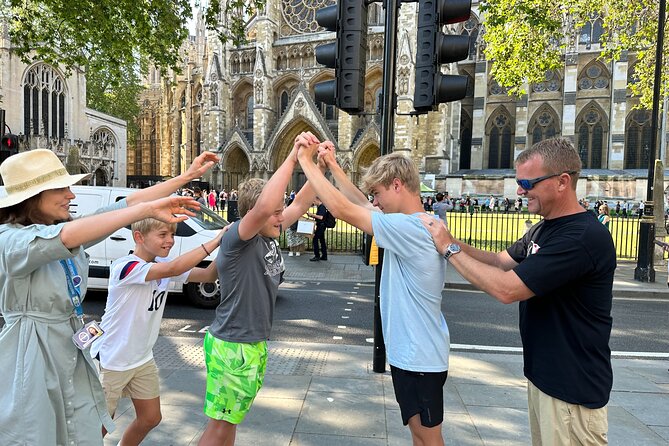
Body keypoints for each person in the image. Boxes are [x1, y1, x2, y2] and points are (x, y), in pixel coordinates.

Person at [0, 148, 218, 445]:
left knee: (79, 427)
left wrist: (185, 177)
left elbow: (119, 206)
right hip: (33, 351)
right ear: (33, 195)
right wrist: (146, 211)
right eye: (62, 188)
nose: (71, 195)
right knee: (37, 432)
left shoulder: (60, 227)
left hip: (67, 344)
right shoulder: (10, 239)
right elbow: (72, 235)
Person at [422, 137, 615, 445]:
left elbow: (507, 289)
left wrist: (448, 249)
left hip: (573, 389)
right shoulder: (544, 227)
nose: (520, 190)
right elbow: (500, 263)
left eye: (528, 182)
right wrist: (446, 239)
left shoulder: (582, 237)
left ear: (563, 181)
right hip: (545, 379)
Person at [297, 145, 449, 446]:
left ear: (397, 185)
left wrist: (307, 162)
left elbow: (343, 210)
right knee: (420, 435)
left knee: (429, 439)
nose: (375, 201)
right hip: (414, 354)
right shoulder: (414, 221)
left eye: (378, 193)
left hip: (419, 357)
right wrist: (332, 165)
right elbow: (363, 206)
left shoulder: (410, 228)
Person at [197, 132, 328, 446]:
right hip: (233, 346)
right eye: (274, 211)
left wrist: (317, 165)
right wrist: (291, 156)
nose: (281, 215)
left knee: (229, 423)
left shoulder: (269, 232)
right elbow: (267, 205)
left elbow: (300, 202)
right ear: (254, 215)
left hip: (250, 344)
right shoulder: (238, 240)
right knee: (219, 426)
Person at [91, 218, 225, 445]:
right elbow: (174, 268)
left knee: (151, 418)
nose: (170, 241)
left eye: (172, 235)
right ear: (139, 237)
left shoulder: (163, 267)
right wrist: (216, 240)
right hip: (111, 360)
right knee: (100, 426)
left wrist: (231, 243)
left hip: (141, 359)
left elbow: (208, 275)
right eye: (163, 235)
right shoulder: (126, 267)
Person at [307, 196, 328, 261]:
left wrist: (312, 215)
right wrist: (312, 216)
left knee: (315, 239)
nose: (313, 202)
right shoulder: (320, 206)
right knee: (322, 240)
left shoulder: (322, 207)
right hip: (320, 225)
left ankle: (317, 255)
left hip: (321, 225)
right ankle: (324, 256)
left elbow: (321, 217)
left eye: (314, 200)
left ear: (317, 199)